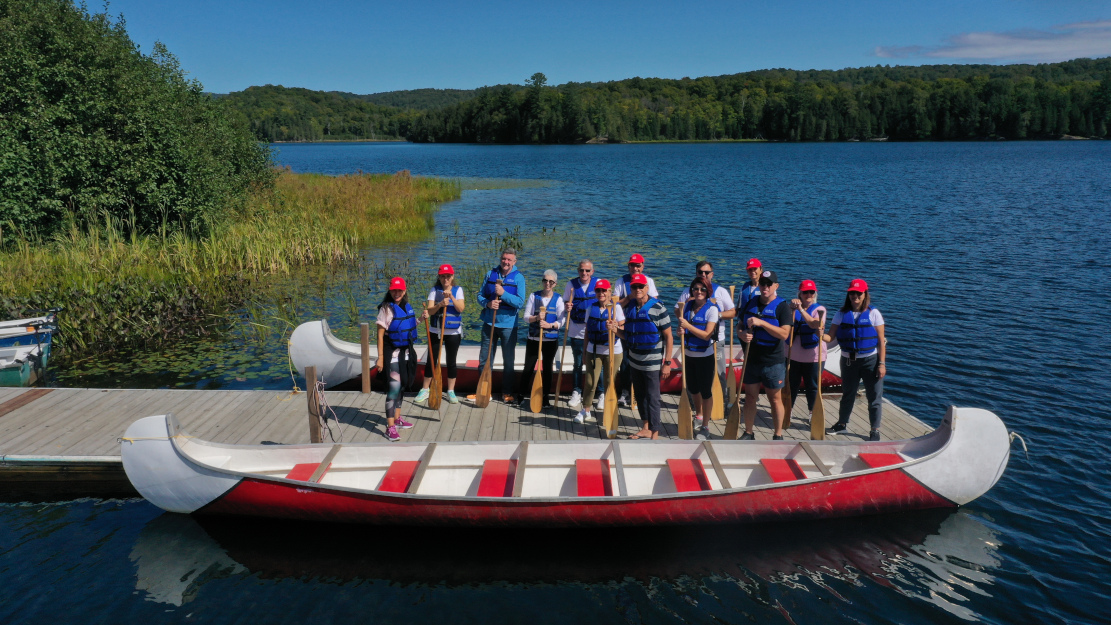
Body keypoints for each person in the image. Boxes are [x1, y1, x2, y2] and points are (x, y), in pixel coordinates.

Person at [823, 279, 886, 441]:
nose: (855, 296)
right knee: (847, 394)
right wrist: (818, 333)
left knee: (874, 397)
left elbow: (880, 341)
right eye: (852, 293)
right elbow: (830, 337)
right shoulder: (841, 314)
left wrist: (882, 363)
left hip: (870, 361)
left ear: (865, 294)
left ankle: (874, 430)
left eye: (858, 293)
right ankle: (842, 424)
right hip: (848, 361)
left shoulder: (874, 314)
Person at [674, 260, 736, 413]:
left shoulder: (720, 291)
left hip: (717, 339)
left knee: (719, 374)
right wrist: (683, 318)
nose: (703, 275)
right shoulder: (689, 292)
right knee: (694, 381)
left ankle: (721, 406)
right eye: (700, 272)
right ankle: (696, 408)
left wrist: (716, 315)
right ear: (696, 274)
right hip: (692, 343)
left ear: (712, 274)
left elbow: (734, 312)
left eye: (706, 273)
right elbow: (678, 310)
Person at [738, 269, 792, 440]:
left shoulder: (782, 307)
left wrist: (762, 323)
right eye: (762, 284)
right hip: (752, 359)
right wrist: (741, 334)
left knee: (775, 399)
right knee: (750, 397)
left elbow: (784, 334)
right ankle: (748, 432)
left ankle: (778, 435)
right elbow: (740, 325)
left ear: (776, 286)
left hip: (773, 362)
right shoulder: (751, 302)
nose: (765, 287)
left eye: (769, 284)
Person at [619, 274, 674, 440]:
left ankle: (655, 434)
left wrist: (667, 363)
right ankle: (645, 427)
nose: (637, 290)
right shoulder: (630, 308)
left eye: (640, 287)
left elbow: (669, 337)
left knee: (653, 398)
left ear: (647, 288)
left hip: (652, 362)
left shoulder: (658, 308)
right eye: (634, 287)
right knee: (640, 396)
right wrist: (615, 330)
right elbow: (628, 335)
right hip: (634, 360)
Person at [476, 248, 526, 403]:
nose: (506, 262)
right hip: (489, 323)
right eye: (504, 258)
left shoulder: (519, 278)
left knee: (508, 360)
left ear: (514, 262)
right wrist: (488, 303)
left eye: (509, 260)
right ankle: (485, 391)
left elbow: (519, 302)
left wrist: (503, 293)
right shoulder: (490, 274)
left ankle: (507, 392)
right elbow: (480, 296)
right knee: (485, 359)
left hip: (508, 326)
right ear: (501, 259)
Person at [376, 277, 420, 442]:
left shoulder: (407, 307)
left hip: (406, 353)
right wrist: (380, 358)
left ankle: (397, 418)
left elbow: (408, 326)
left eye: (400, 290)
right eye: (394, 290)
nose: (397, 293)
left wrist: (421, 319)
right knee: (393, 389)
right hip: (391, 354)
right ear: (390, 290)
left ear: (404, 290)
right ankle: (390, 427)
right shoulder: (386, 309)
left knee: (402, 387)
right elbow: (380, 336)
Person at [612, 253, 659, 407]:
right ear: (629, 266)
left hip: (644, 327)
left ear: (642, 266)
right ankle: (625, 392)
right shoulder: (621, 282)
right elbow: (616, 305)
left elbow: (655, 303)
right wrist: (630, 297)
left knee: (643, 359)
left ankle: (642, 391)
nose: (635, 268)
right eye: (632, 265)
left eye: (638, 265)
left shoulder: (649, 281)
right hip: (626, 326)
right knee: (626, 361)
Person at [575, 279, 624, 424]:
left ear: (610, 292)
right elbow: (587, 332)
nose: (601, 293)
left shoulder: (617, 307)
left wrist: (615, 325)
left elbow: (623, 326)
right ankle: (586, 410)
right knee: (590, 382)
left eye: (604, 290)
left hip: (613, 351)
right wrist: (584, 352)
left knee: (610, 382)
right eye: (598, 290)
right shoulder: (591, 308)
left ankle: (609, 410)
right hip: (593, 349)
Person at [416, 264, 465, 405]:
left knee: (451, 361)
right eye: (443, 276)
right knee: (432, 360)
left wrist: (452, 298)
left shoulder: (458, 290)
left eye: (448, 276)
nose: (445, 279)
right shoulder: (434, 290)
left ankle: (450, 391)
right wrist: (440, 304)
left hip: (454, 332)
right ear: (439, 277)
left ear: (452, 277)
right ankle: (425, 389)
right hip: (436, 331)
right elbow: (429, 311)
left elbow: (461, 308)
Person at [678, 277, 719, 440]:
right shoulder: (687, 306)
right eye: (696, 289)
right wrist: (680, 331)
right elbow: (681, 329)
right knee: (693, 389)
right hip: (688, 355)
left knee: (706, 391)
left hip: (705, 357)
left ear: (707, 291)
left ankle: (706, 426)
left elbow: (707, 334)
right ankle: (699, 414)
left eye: (702, 289)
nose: (699, 292)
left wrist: (687, 326)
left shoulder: (712, 309)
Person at [519, 269, 566, 407]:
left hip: (550, 341)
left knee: (547, 369)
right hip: (534, 339)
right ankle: (521, 395)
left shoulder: (558, 299)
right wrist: (536, 318)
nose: (547, 283)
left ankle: (545, 397)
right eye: (545, 280)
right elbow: (526, 317)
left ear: (555, 284)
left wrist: (550, 325)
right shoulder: (534, 296)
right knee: (528, 368)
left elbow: (562, 320)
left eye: (551, 281)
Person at [787, 279, 826, 419]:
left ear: (815, 293)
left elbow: (814, 324)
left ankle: (812, 413)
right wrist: (792, 309)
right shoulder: (792, 307)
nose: (808, 294)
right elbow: (787, 325)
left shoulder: (820, 310)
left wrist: (801, 310)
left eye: (811, 292)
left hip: (813, 357)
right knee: (791, 385)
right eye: (805, 292)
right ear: (800, 294)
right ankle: (788, 410)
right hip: (793, 355)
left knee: (812, 387)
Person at [562, 259, 597, 408]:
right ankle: (576, 391)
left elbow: (607, 300)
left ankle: (599, 392)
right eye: (582, 270)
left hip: (594, 330)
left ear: (592, 272)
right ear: (578, 271)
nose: (584, 273)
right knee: (577, 363)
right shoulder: (571, 285)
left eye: (587, 271)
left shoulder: (598, 283)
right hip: (576, 329)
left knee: (596, 363)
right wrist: (567, 306)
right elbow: (564, 304)